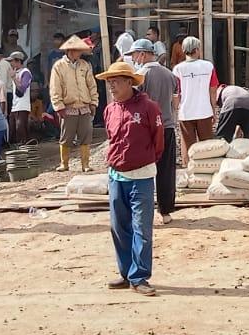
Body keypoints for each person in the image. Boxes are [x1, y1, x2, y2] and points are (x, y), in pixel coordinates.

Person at [98, 60, 164, 297]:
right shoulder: (110, 109)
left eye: (115, 82)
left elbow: (159, 142)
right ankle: (126, 273)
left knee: (141, 229)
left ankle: (140, 276)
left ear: (129, 82)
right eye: (109, 82)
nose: (112, 87)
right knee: (119, 228)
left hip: (142, 177)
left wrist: (143, 159)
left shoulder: (149, 108)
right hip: (116, 176)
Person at [131, 39, 179, 224]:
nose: (134, 58)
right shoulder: (169, 74)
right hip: (166, 127)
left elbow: (134, 102)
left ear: (143, 54)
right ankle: (165, 211)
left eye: (135, 55)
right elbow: (175, 101)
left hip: (146, 130)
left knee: (143, 171)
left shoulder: (140, 75)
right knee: (166, 171)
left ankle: (144, 210)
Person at [50, 35, 99, 172]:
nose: (81, 53)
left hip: (84, 106)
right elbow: (55, 88)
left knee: (86, 135)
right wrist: (58, 106)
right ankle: (64, 164)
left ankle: (85, 164)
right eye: (78, 50)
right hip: (68, 107)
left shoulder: (85, 65)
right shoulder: (58, 67)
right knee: (66, 136)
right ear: (71, 51)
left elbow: (92, 86)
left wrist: (94, 102)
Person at [172, 36, 220, 161]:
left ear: (183, 50)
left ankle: (189, 171)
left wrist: (177, 110)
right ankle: (206, 172)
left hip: (186, 113)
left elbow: (176, 93)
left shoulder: (178, 69)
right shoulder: (208, 66)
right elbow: (213, 90)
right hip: (204, 112)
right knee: (207, 147)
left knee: (189, 147)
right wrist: (213, 109)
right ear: (197, 49)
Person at [8, 52, 34, 144]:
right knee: (13, 129)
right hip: (15, 105)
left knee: (20, 128)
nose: (11, 64)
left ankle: (25, 149)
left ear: (18, 61)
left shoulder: (25, 72)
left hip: (22, 106)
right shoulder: (17, 73)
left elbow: (22, 88)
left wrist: (14, 78)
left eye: (12, 61)